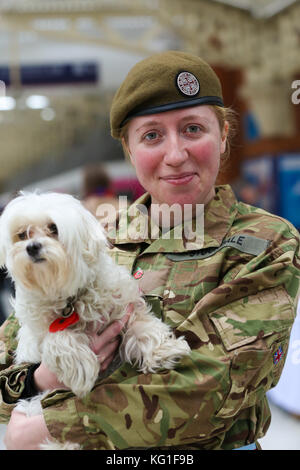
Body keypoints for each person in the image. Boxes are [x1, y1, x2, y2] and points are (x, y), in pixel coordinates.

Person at [0, 50, 299, 450]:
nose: (175, 155)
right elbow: (8, 359)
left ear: (224, 135)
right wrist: (42, 379)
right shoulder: (91, 239)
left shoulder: (266, 244)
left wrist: (47, 425)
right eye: (152, 135)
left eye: (193, 129)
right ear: (129, 149)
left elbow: (209, 389)